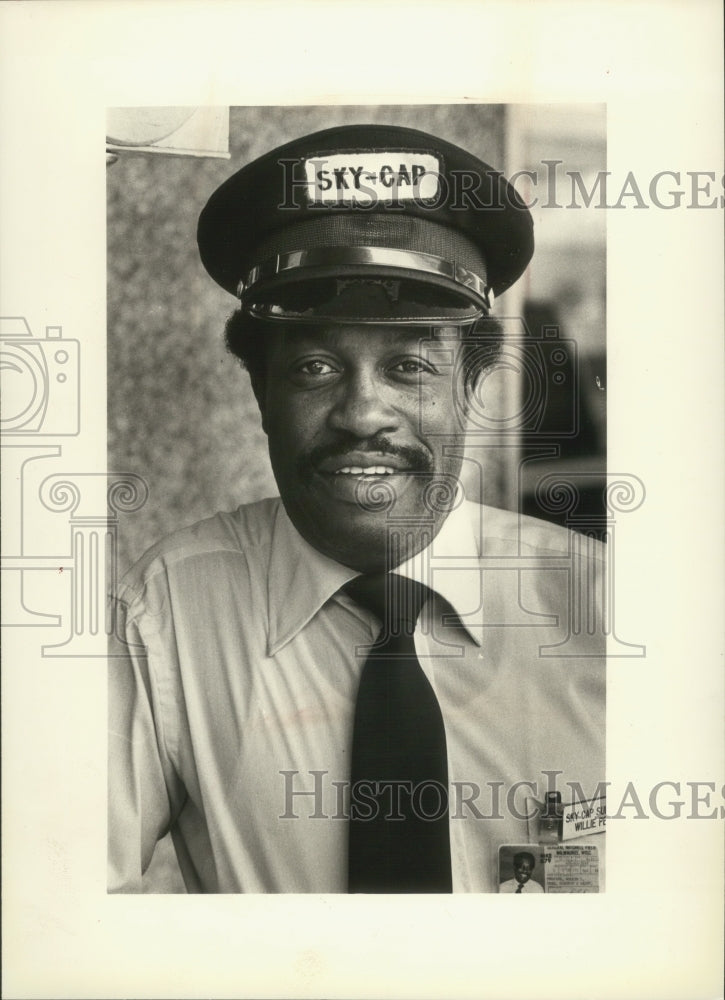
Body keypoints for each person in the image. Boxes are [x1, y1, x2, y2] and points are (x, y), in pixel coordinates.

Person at [108, 123, 605, 894]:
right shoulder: (168, 612)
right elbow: (49, 901)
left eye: (408, 365)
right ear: (260, 394)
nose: (361, 412)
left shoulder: (603, 606)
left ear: (469, 388)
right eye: (314, 366)